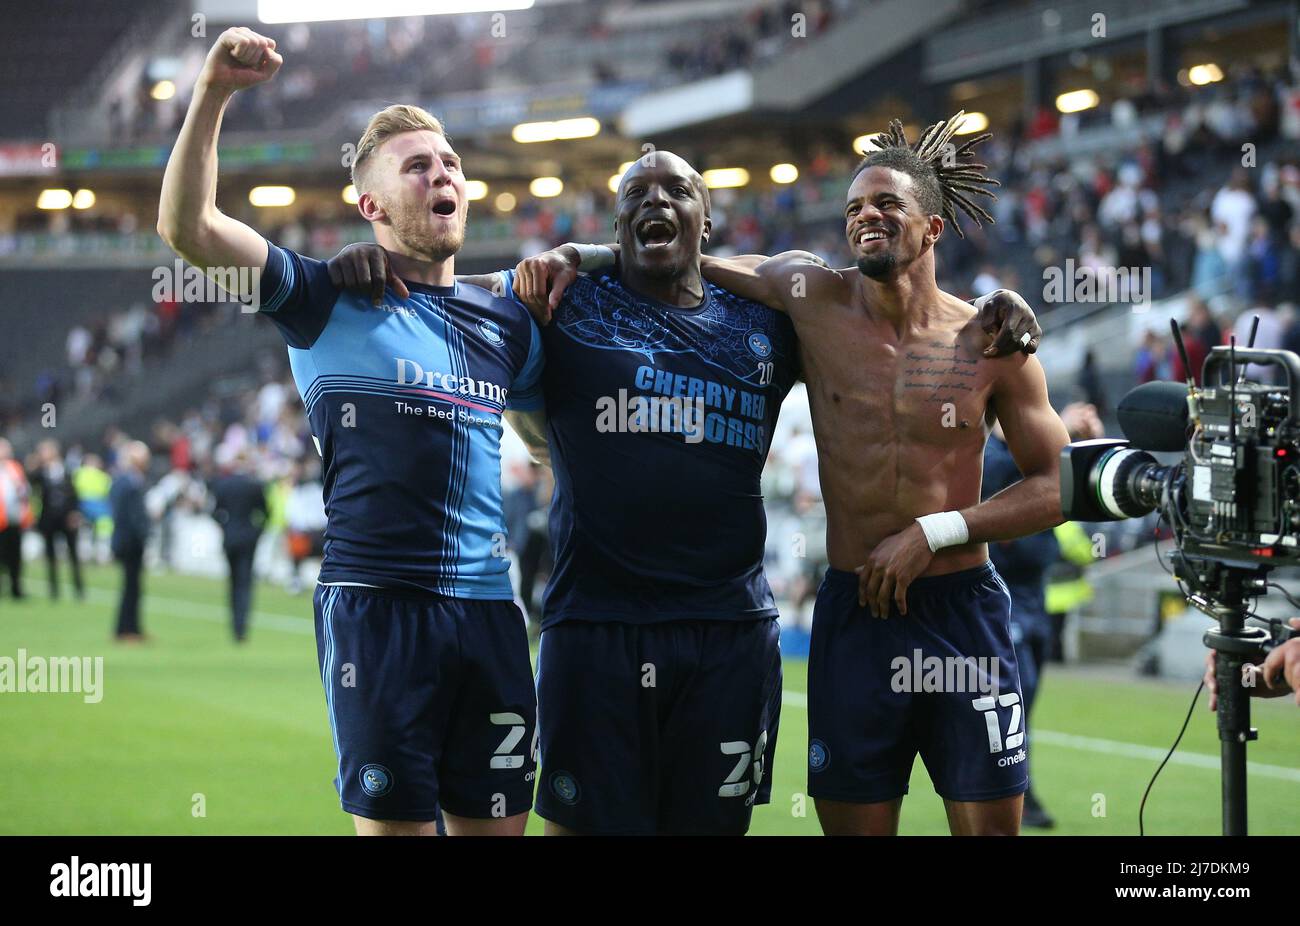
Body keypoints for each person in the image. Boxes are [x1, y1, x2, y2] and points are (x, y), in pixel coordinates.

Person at [333, 147, 1041, 835]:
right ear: (615, 227)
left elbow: (1042, 466)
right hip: (600, 628)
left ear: (708, 221)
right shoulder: (569, 298)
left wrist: (1000, 301)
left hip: (732, 635)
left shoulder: (781, 317)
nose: (656, 203)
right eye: (636, 197)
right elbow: (453, 297)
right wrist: (374, 263)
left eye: (675, 192)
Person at [538, 114, 1066, 835]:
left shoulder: (991, 338)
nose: (865, 218)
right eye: (853, 208)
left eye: (887, 205)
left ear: (933, 228)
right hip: (857, 614)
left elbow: (1058, 483)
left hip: (961, 612)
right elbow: (680, 259)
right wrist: (583, 252)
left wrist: (938, 532)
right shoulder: (809, 296)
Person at [157, 27, 545, 836]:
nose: (442, 175)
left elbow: (548, 433)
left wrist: (578, 257)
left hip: (490, 616)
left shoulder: (507, 317)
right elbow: (189, 227)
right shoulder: (322, 297)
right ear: (370, 206)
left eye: (452, 166)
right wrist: (214, 93)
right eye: (417, 167)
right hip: (378, 612)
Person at [208, 453, 268, 643]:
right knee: (245, 583)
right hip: (248, 539)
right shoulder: (255, 485)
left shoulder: (224, 484)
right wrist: (256, 532)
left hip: (230, 538)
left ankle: (234, 626)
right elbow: (265, 513)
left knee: (233, 583)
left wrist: (225, 527)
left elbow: (215, 512)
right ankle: (242, 628)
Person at [28, 439, 84, 601]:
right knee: (50, 555)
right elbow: (30, 481)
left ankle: (78, 588)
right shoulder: (41, 472)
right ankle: (54, 590)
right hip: (49, 519)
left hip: (66, 517)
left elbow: (74, 493)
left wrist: (74, 513)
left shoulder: (66, 470)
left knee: (73, 554)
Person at [109, 441, 152, 642]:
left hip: (128, 540)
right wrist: (144, 533)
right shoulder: (128, 482)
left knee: (133, 587)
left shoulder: (126, 480)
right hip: (129, 542)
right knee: (130, 587)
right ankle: (126, 630)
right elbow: (130, 516)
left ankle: (132, 628)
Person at [0, 438, 33, 600]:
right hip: (0, 521)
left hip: (14, 519)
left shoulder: (15, 468)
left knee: (15, 556)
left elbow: (24, 490)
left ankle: (16, 589)